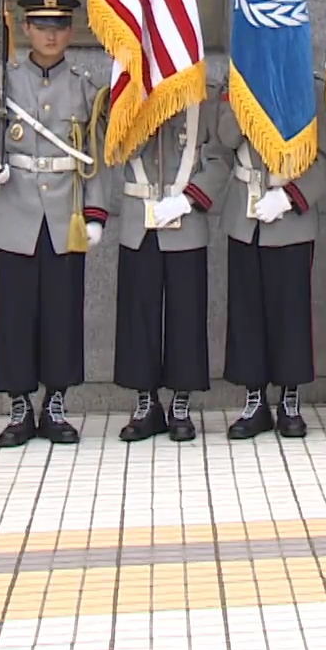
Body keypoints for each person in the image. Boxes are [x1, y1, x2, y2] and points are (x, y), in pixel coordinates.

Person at [0, 0, 112, 448]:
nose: (51, 35)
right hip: (17, 211)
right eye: (41, 27)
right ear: (27, 30)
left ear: (70, 32)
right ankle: (19, 406)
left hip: (64, 215)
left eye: (59, 26)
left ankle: (55, 404)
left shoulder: (84, 87)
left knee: (62, 312)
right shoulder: (7, 82)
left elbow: (94, 157)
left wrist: (95, 213)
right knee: (15, 314)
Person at [209, 77, 326, 440]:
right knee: (246, 311)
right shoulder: (238, 82)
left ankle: (290, 399)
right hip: (245, 214)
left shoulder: (308, 85)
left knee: (290, 312)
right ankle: (254, 399)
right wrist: (247, 95)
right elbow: (227, 138)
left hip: (290, 214)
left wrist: (290, 196)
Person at [110, 80, 229, 442]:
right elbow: (113, 144)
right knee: (138, 315)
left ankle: (181, 403)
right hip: (139, 221)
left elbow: (219, 159)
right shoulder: (128, 88)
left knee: (186, 314)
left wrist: (188, 199)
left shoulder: (203, 97)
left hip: (185, 219)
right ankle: (145, 403)